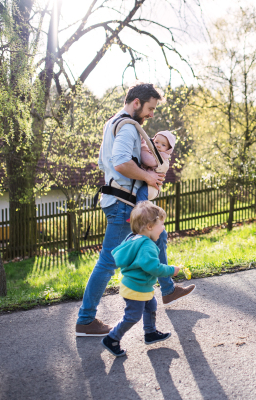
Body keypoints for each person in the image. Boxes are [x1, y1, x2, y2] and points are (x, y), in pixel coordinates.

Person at [75, 83, 195, 337]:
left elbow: (103, 162)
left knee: (159, 235)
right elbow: (120, 163)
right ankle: (85, 320)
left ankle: (167, 288)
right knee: (108, 262)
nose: (152, 114)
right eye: (150, 108)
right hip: (123, 204)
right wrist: (148, 177)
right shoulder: (128, 126)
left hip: (120, 199)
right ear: (137, 102)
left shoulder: (112, 124)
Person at [101, 202, 179, 357]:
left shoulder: (134, 239)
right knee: (132, 316)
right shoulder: (147, 246)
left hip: (136, 286)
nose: (163, 228)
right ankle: (112, 339)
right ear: (149, 227)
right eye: (161, 224)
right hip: (137, 289)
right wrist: (171, 270)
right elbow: (154, 267)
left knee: (151, 305)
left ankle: (150, 333)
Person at [136, 130, 176, 202]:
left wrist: (143, 146)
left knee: (140, 194)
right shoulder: (154, 154)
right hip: (148, 184)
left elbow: (147, 160)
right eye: (156, 142)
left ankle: (141, 211)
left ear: (168, 149)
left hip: (151, 188)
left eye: (163, 145)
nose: (158, 145)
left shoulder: (162, 157)